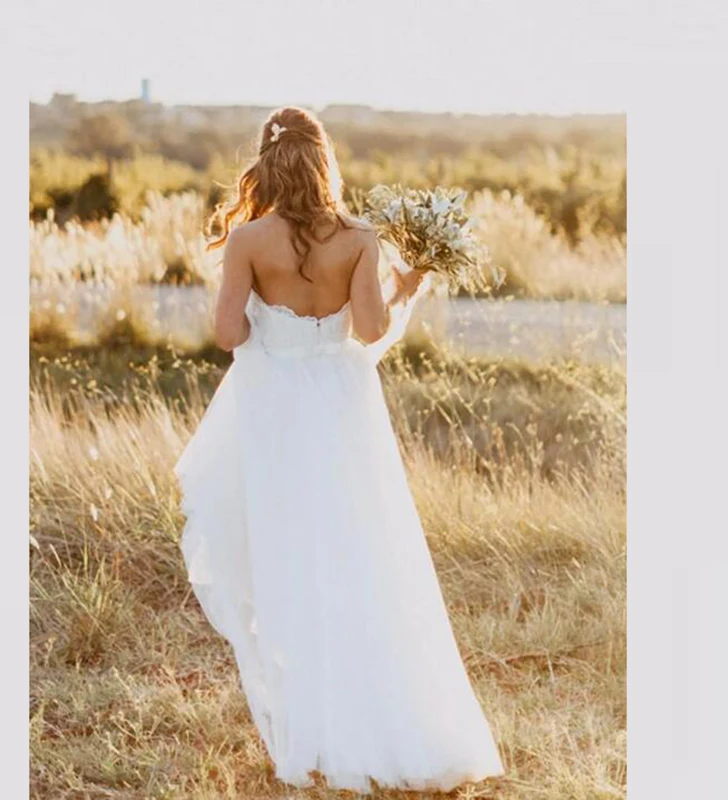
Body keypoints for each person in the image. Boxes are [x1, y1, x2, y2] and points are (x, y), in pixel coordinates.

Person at [175, 106, 503, 793]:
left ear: (265, 162)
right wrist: (403, 286)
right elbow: (368, 329)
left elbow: (229, 335)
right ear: (325, 159)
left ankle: (313, 727)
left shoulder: (247, 240)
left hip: (272, 413)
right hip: (344, 409)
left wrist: (271, 316)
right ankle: (379, 717)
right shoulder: (359, 238)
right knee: (360, 551)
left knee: (285, 557)